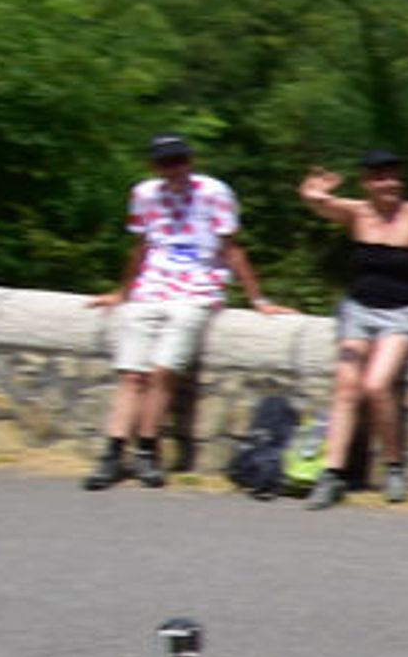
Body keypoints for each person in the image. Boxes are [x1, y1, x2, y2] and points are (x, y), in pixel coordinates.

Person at [83, 130, 288, 489]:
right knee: (132, 373)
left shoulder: (213, 193)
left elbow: (231, 248)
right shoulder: (144, 195)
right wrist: (123, 291)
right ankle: (113, 453)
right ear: (154, 166)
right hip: (151, 287)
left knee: (163, 371)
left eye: (180, 161)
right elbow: (142, 246)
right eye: (166, 163)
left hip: (197, 289)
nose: (174, 169)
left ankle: (147, 449)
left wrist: (259, 300)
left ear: (190, 162)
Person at [294, 150, 408, 508]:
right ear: (367, 182)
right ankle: (333, 473)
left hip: (401, 313)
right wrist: (314, 190)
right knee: (346, 385)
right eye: (381, 177)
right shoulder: (358, 212)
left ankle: (394, 465)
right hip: (358, 310)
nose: (390, 184)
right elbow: (317, 204)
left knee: (375, 385)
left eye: (394, 176)